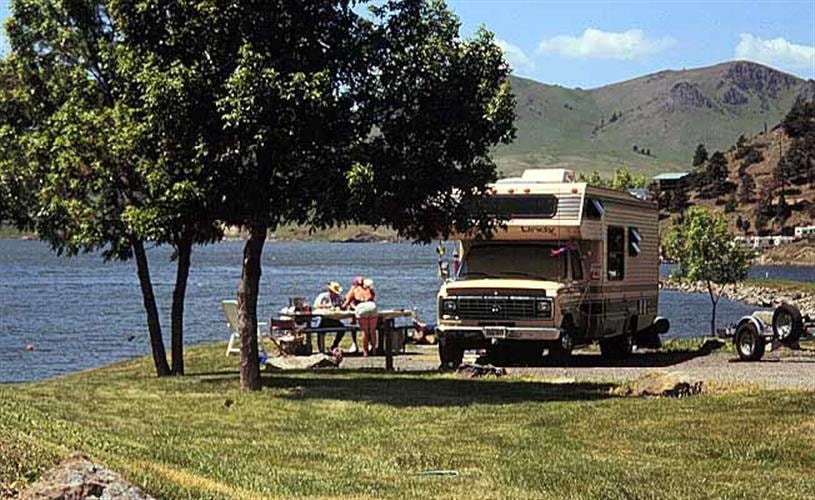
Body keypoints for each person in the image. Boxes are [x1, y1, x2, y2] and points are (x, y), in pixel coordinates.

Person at [313, 282, 357, 353]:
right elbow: (316, 306)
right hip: (324, 319)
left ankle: (334, 345)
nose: (335, 294)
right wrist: (326, 306)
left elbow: (343, 305)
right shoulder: (323, 296)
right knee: (320, 331)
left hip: (335, 318)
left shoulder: (339, 297)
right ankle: (321, 350)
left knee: (342, 329)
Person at [343, 276, 377, 356]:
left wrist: (342, 306)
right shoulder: (369, 289)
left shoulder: (354, 289)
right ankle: (374, 350)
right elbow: (373, 297)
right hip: (372, 306)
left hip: (362, 307)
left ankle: (365, 352)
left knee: (364, 331)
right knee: (372, 330)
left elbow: (346, 302)